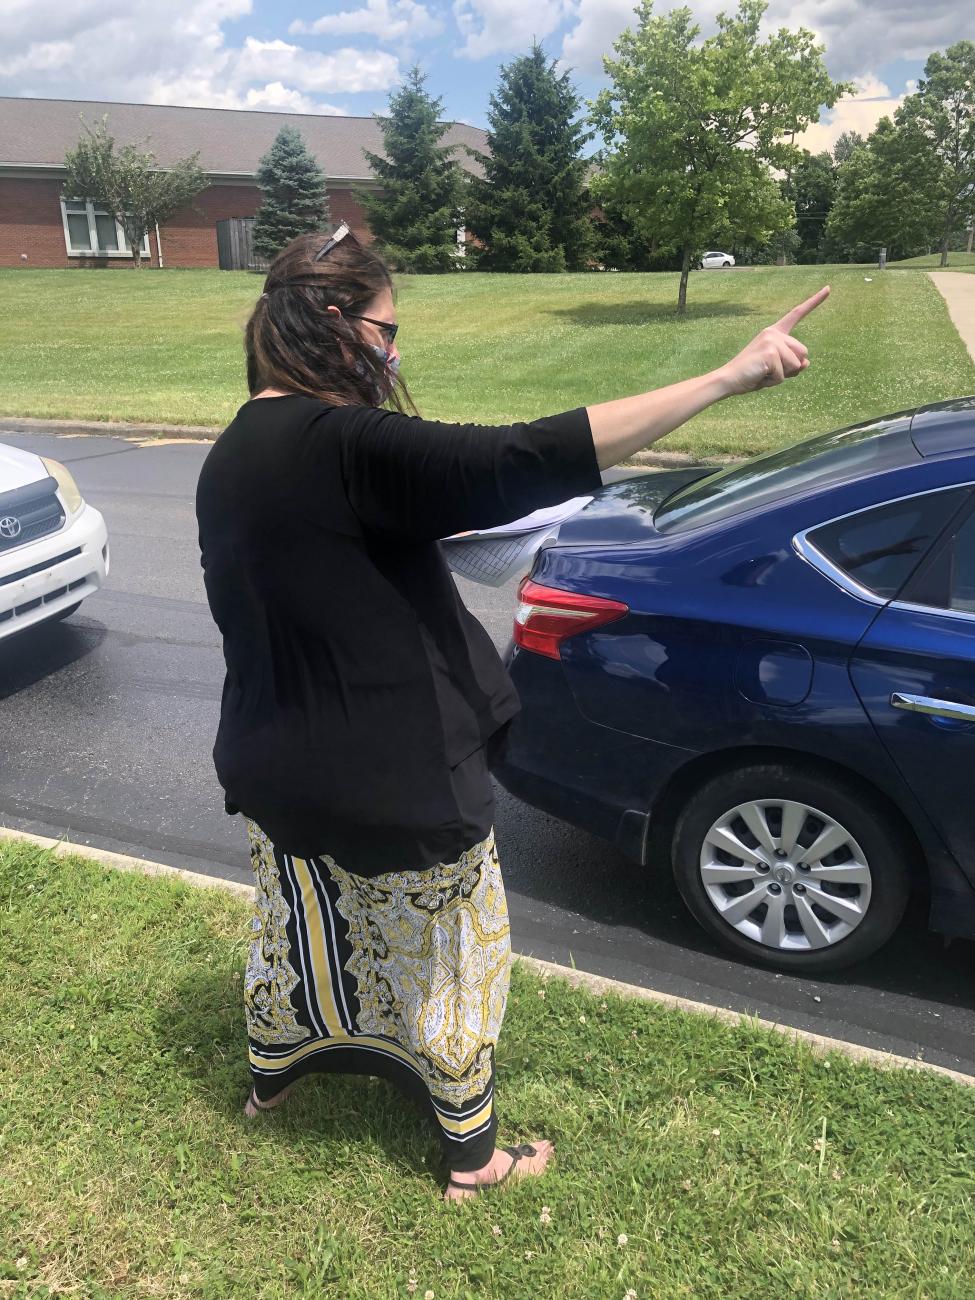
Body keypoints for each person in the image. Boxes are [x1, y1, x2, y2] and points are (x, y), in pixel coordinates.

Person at [195, 222, 828, 1201]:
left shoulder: (235, 447)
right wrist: (724, 379)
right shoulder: (346, 441)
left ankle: (275, 1081)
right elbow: (524, 455)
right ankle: (473, 1156)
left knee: (301, 931)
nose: (393, 350)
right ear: (337, 322)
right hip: (401, 775)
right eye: (386, 327)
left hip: (273, 765)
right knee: (454, 960)